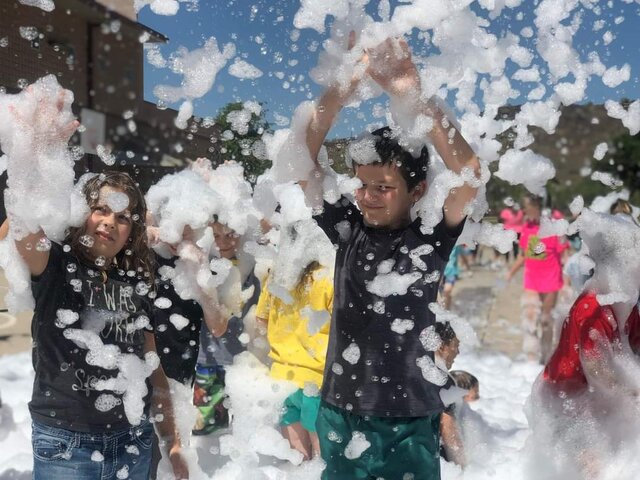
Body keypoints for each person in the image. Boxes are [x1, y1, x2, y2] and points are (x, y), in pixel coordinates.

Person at [304, 37, 481, 479]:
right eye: (362, 185)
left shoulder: (430, 239)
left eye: (382, 187)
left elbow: (470, 177)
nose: (367, 197)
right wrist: (342, 87)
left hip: (411, 415)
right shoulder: (347, 229)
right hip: (341, 409)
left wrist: (411, 95)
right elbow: (302, 156)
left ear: (416, 191)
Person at [11, 171, 188, 480]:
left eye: (122, 217)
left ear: (131, 232)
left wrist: (172, 439)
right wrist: (31, 148)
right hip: (66, 443)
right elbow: (19, 223)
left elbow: (152, 366)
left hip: (134, 440)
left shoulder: (138, 285)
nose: (109, 221)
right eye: (101, 209)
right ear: (82, 214)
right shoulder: (57, 265)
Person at [255, 261, 333, 460]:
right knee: (322, 455)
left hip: (282, 379)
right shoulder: (328, 275)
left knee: (297, 456)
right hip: (316, 381)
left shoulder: (276, 275)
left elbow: (261, 319)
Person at [192, 220, 260, 435]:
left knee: (245, 428)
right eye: (216, 236)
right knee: (206, 427)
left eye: (230, 235)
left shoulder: (251, 264)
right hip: (207, 356)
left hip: (242, 358)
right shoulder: (205, 266)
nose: (223, 242)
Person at [506, 194, 569, 363]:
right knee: (530, 318)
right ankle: (531, 360)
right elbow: (525, 255)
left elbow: (565, 256)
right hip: (532, 280)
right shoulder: (528, 227)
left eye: (527, 207)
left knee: (546, 321)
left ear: (538, 207)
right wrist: (511, 272)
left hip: (551, 279)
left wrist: (568, 281)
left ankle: (547, 358)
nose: (524, 210)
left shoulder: (554, 227)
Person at [434, 323, 466, 467]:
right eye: (455, 345)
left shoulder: (416, 373)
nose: (457, 352)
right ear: (441, 346)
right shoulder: (442, 381)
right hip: (438, 465)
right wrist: (464, 469)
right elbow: (448, 431)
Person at [440, 245, 463, 310]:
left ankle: (446, 311)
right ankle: (446, 309)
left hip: (452, 272)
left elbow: (459, 256)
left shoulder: (457, 245)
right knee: (441, 294)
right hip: (441, 272)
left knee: (447, 291)